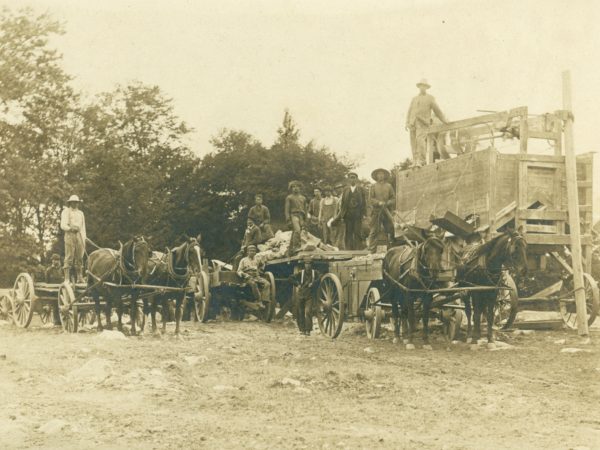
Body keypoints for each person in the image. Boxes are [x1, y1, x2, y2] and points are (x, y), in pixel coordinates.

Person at [405, 79, 448, 167]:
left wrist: (444, 120)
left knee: (420, 141)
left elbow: (437, 110)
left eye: (424, 86)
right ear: (419, 87)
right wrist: (407, 122)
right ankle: (415, 162)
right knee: (413, 143)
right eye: (421, 86)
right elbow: (409, 111)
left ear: (427, 87)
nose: (422, 88)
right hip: (412, 123)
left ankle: (421, 161)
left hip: (423, 123)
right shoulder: (414, 98)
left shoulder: (430, 98)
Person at [330, 172, 366, 250]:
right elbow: (343, 203)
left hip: (357, 214)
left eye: (354, 177)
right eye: (351, 177)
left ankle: (357, 249)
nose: (352, 179)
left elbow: (364, 202)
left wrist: (364, 214)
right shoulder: (346, 189)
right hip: (348, 214)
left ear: (356, 179)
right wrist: (342, 215)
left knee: (357, 232)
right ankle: (348, 249)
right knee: (348, 233)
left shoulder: (360, 189)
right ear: (348, 179)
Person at [288, 258, 320, 335]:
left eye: (309, 264)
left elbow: (320, 277)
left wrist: (314, 283)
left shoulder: (314, 273)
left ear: (311, 265)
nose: (308, 266)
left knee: (308, 311)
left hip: (310, 295)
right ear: (304, 265)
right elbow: (290, 278)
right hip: (301, 295)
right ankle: (302, 330)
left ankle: (308, 330)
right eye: (306, 264)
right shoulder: (301, 273)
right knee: (300, 312)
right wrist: (297, 284)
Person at [367, 168, 396, 252]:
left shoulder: (389, 186)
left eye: (382, 174)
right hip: (376, 211)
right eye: (379, 174)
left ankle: (391, 248)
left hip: (387, 211)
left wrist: (387, 203)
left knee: (390, 229)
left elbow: (393, 199)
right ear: (376, 176)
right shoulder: (373, 186)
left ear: (384, 176)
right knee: (374, 230)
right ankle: (371, 249)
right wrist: (378, 203)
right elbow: (370, 199)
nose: (380, 176)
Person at [60, 194, 86, 283]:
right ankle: (66, 279)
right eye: (73, 202)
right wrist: (70, 228)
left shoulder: (81, 213)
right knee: (69, 256)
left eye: (76, 202)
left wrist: (84, 237)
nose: (75, 204)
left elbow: (83, 227)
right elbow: (63, 225)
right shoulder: (66, 211)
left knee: (80, 257)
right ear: (70, 203)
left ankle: (80, 277)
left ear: (78, 203)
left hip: (80, 236)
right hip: (69, 235)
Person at [284, 180, 307, 256]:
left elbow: (305, 209)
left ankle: (290, 249)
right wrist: (288, 220)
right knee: (297, 230)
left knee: (299, 232)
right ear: (291, 188)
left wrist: (305, 219)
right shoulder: (289, 197)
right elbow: (287, 210)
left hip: (301, 216)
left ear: (300, 188)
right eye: (293, 187)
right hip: (294, 215)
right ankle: (295, 247)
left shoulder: (303, 198)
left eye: (297, 186)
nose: (295, 188)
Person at [45, 254, 63, 326]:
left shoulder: (63, 270)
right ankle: (56, 321)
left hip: (62, 290)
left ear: (59, 261)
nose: (54, 261)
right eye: (53, 260)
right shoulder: (49, 270)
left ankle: (61, 320)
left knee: (61, 305)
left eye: (56, 260)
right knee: (55, 305)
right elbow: (47, 281)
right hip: (53, 290)